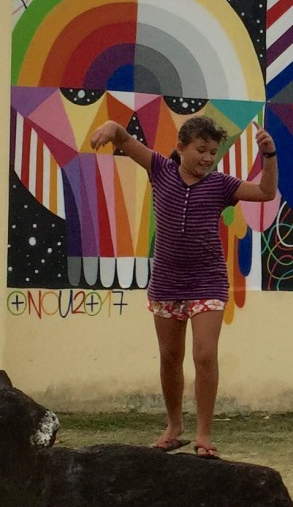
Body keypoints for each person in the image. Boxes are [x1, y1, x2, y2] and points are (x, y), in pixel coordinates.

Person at [86, 113, 277, 458]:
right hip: (167, 283)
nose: (207, 158)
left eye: (212, 152)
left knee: (204, 356)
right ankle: (174, 426)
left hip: (208, 282)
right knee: (170, 358)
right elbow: (125, 141)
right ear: (181, 147)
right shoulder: (160, 169)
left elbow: (265, 192)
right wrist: (111, 128)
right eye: (201, 149)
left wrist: (269, 155)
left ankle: (204, 435)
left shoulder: (221, 185)